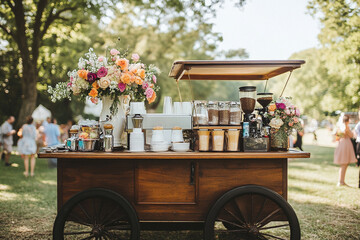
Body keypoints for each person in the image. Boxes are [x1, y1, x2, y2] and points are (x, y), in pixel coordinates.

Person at [334, 115, 357, 186]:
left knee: (344, 163)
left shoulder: (340, 127)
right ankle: (340, 181)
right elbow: (351, 135)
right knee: (344, 163)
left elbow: (337, 136)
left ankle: (341, 181)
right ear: (347, 120)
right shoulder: (346, 127)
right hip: (345, 144)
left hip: (342, 144)